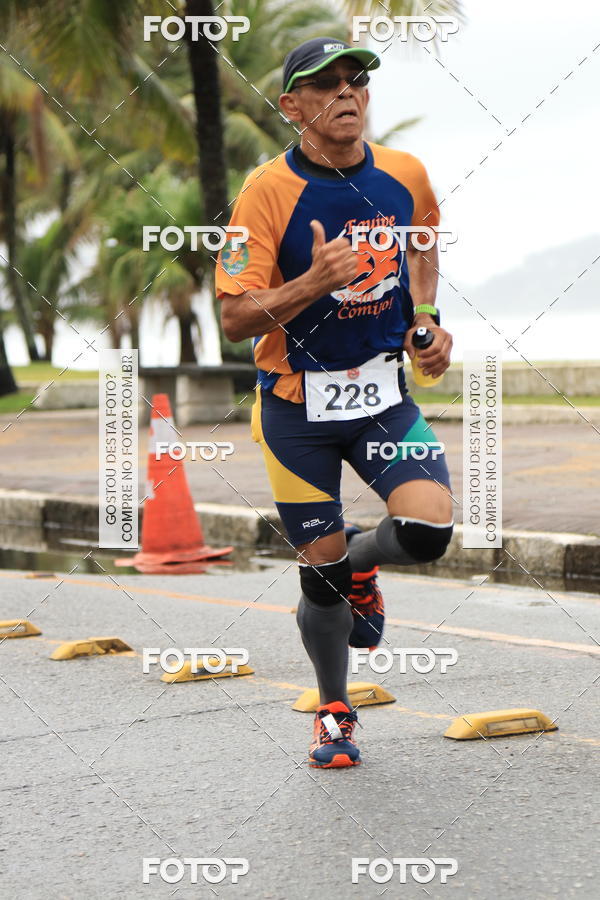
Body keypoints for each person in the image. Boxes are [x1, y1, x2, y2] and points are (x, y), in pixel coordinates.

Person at [216, 37, 454, 768]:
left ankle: (362, 562)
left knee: (426, 530)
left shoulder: (404, 173)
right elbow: (234, 316)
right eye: (325, 86)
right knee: (318, 577)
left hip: (382, 398)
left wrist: (426, 322)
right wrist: (313, 281)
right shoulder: (265, 192)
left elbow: (421, 246)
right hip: (296, 412)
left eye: (357, 82)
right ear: (293, 108)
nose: (347, 94)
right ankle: (334, 710)